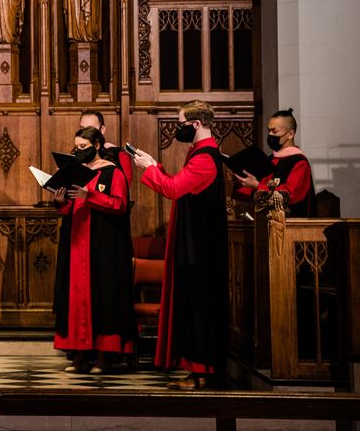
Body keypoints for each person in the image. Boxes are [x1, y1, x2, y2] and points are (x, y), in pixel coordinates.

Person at [131, 100, 229, 389]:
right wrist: (156, 165)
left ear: (196, 125)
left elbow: (173, 188)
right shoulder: (200, 153)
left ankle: (201, 372)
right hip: (195, 244)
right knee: (193, 306)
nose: (179, 128)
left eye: (181, 123)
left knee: (199, 307)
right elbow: (180, 183)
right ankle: (196, 370)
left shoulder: (206, 158)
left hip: (201, 249)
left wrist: (149, 168)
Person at [51, 127, 135, 374]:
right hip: (77, 242)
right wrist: (60, 201)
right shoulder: (76, 172)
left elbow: (120, 206)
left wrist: (91, 197)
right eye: (76, 147)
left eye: (84, 148)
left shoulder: (113, 173)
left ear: (97, 145)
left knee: (103, 296)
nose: (79, 152)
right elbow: (69, 208)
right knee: (77, 298)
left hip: (103, 244)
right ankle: (80, 354)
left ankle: (103, 356)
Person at [232, 108, 316, 217]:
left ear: (290, 134)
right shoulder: (271, 159)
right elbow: (250, 191)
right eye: (269, 130)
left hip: (292, 225)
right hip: (266, 222)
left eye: (274, 131)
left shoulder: (299, 163)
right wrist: (240, 179)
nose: (270, 134)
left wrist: (257, 185)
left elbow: (290, 195)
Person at [79, 109, 133, 186]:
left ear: (102, 130)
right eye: (82, 129)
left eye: (90, 129)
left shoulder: (120, 155)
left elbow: (123, 190)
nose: (84, 134)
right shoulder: (75, 154)